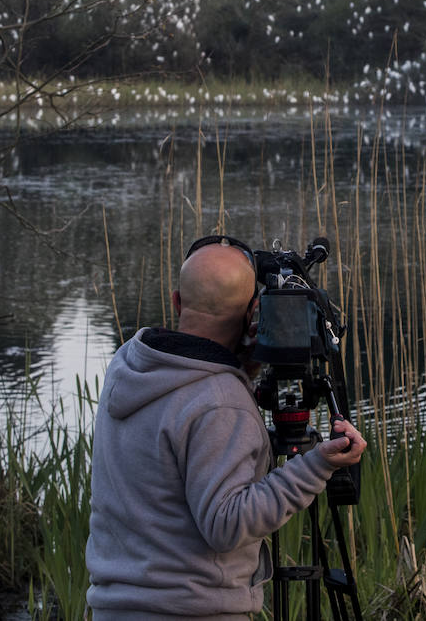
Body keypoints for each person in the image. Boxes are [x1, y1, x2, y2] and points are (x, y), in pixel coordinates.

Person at [86, 234, 367, 620]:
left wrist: (240, 373)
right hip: (192, 611)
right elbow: (226, 523)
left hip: (115, 608)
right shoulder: (221, 402)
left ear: (177, 301)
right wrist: (316, 467)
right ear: (254, 313)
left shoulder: (131, 365)